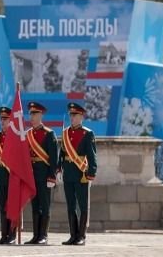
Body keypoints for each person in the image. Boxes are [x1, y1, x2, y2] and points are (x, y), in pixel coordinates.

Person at [59, 102, 97, 246]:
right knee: (70, 205)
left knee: (82, 205)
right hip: (68, 173)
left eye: (75, 115)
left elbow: (92, 155)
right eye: (71, 115)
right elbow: (61, 153)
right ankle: (73, 235)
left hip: (81, 173)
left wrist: (91, 172)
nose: (72, 117)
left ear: (81, 116)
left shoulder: (87, 133)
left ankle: (81, 236)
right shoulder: (65, 133)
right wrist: (58, 169)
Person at [24, 102, 58, 245]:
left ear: (41, 115)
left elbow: (53, 157)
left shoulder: (48, 134)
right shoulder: (28, 134)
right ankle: (36, 235)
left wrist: (52, 176)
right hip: (32, 175)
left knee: (44, 205)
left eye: (34, 114)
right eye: (31, 114)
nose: (32, 116)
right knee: (35, 205)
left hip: (44, 175)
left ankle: (43, 235)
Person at [0, 107, 16, 245]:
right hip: (0, 174)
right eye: (1, 119)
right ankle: (4, 235)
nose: (2, 121)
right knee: (2, 207)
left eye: (5, 119)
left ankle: (11, 235)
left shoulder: (16, 138)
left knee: (12, 206)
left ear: (11, 121)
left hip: (12, 175)